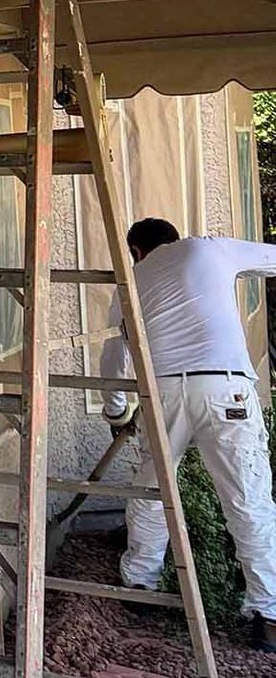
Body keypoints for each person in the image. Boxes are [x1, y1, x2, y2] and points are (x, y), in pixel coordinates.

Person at [102, 217, 276, 650]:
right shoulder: (208, 250)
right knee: (247, 497)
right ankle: (267, 612)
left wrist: (117, 412)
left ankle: (140, 585)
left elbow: (113, 359)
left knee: (154, 488)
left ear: (136, 251)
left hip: (163, 392)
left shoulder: (130, 280)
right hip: (226, 388)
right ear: (174, 239)